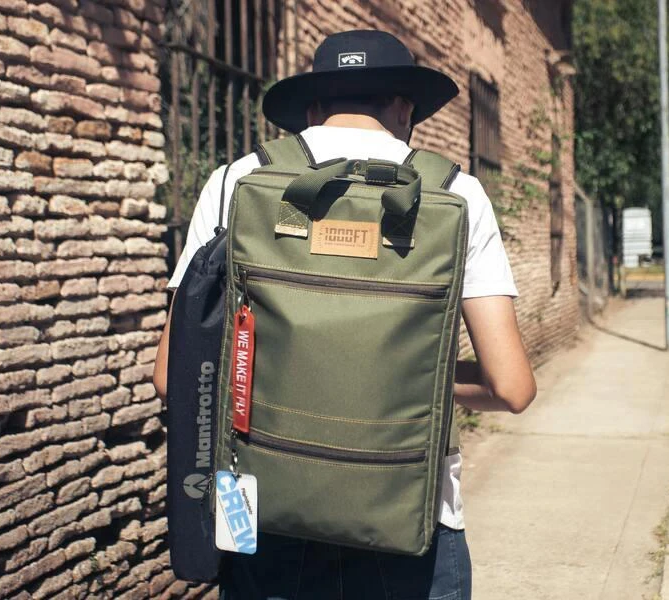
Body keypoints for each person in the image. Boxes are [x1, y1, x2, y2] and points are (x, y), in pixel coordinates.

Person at [153, 30, 536, 600]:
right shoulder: (458, 193)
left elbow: (170, 374)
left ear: (311, 109)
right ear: (404, 107)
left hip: (252, 516)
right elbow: (512, 388)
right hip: (415, 524)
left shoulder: (237, 181)